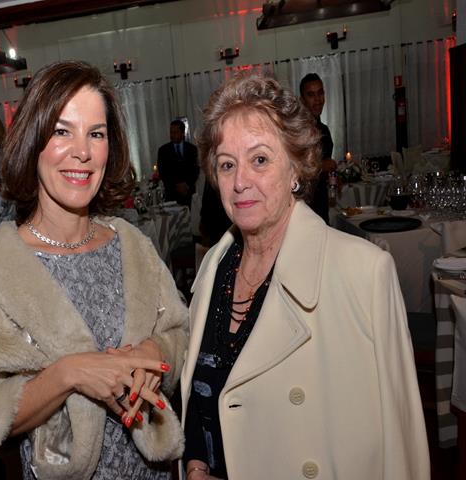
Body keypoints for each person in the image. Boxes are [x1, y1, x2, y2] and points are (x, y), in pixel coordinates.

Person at [0, 61, 188, 480]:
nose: (82, 151)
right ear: (33, 141)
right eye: (62, 131)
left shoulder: (131, 244)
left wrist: (154, 354)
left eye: (96, 134)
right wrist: (67, 374)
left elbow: (181, 332)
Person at [180, 74, 429, 479]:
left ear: (296, 167)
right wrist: (195, 465)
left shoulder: (363, 273)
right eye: (227, 165)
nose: (240, 181)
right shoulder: (212, 270)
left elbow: (403, 448)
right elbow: (202, 396)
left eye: (260, 160)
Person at [299, 73, 336, 224]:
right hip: (303, 209)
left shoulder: (324, 130)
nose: (318, 99)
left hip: (322, 206)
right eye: (311, 95)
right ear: (302, 100)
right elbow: (293, 170)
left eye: (320, 93)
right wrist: (322, 166)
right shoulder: (297, 131)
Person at [157, 119, 199, 207]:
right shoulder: (163, 150)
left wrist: (187, 185)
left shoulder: (192, 149)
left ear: (183, 133)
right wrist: (176, 186)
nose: (172, 135)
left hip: (188, 193)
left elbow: (195, 170)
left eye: (175, 132)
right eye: (171, 132)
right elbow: (162, 172)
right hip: (171, 194)